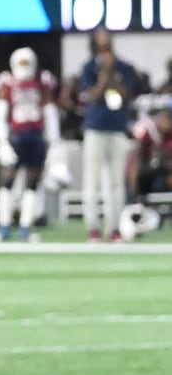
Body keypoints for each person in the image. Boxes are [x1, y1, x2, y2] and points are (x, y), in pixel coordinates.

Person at [63, 27, 138, 242]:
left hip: (117, 128)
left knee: (116, 180)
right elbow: (92, 96)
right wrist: (105, 74)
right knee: (92, 180)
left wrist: (113, 74)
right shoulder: (89, 68)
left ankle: (114, 227)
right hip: (95, 127)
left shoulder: (123, 67)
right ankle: (93, 227)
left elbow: (126, 96)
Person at [0, 47, 60, 243]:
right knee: (7, 181)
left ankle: (25, 226)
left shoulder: (42, 82)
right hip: (16, 136)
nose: (24, 68)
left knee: (33, 183)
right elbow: (0, 113)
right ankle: (4, 225)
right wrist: (2, 141)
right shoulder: (6, 83)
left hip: (35, 135)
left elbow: (49, 111)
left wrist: (54, 143)